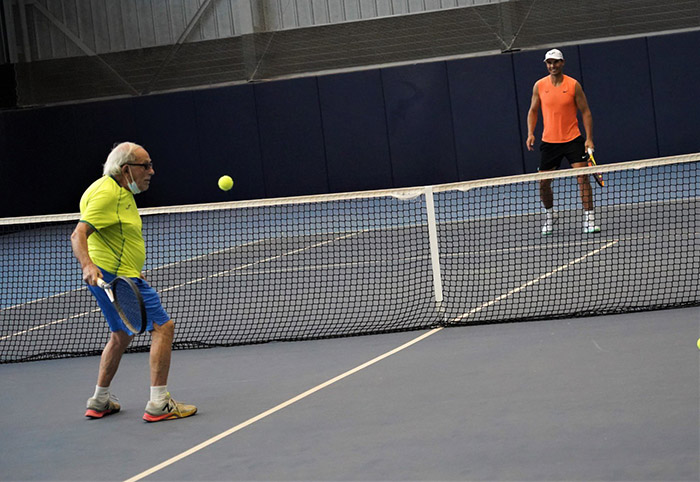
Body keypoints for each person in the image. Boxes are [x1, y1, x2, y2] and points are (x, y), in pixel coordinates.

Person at [71, 142, 197, 422]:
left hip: (113, 274)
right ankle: (159, 403)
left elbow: (112, 235)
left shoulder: (112, 189)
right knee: (163, 327)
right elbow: (78, 234)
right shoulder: (108, 195)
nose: (152, 171)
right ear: (126, 169)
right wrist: (87, 265)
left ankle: (100, 400)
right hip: (115, 277)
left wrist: (129, 265)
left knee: (121, 334)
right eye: (146, 165)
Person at [526, 48, 600, 235]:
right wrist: (530, 133)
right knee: (543, 184)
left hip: (573, 139)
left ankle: (589, 219)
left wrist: (589, 138)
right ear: (546, 65)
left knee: (582, 178)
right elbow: (533, 111)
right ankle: (550, 216)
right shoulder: (539, 86)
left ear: (562, 63)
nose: (553, 66)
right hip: (549, 142)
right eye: (549, 63)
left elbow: (586, 112)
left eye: (556, 62)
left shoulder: (573, 85)